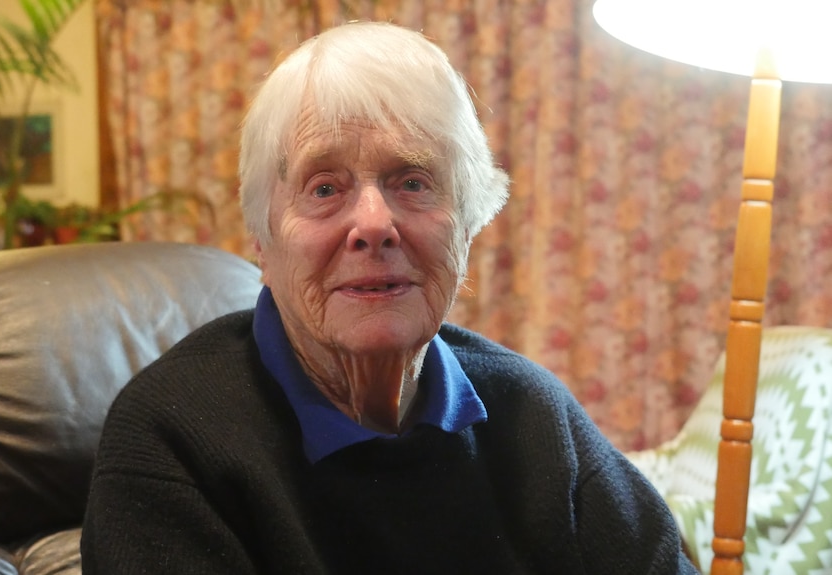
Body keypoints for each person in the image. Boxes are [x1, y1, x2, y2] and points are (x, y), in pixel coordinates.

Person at [81, 21, 698, 574]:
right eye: (324, 188)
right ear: (263, 240)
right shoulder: (170, 439)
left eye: (413, 181)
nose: (374, 223)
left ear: (468, 222)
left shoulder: (532, 415)